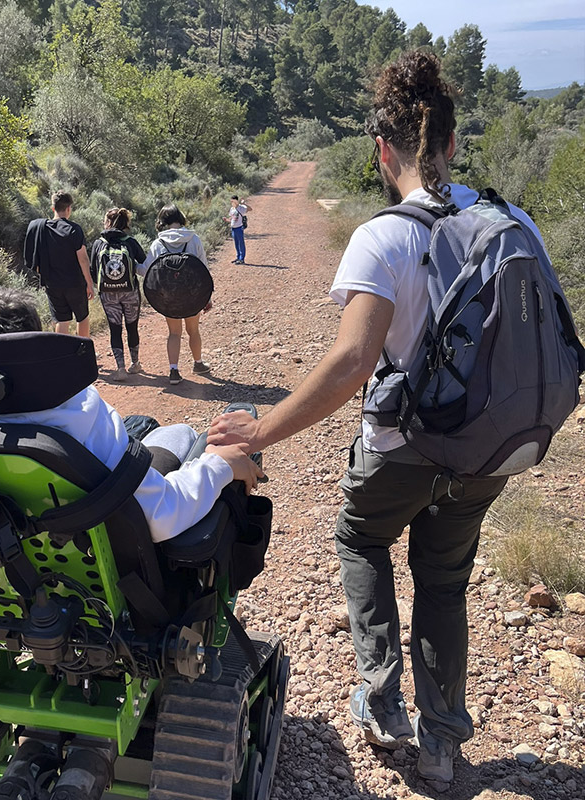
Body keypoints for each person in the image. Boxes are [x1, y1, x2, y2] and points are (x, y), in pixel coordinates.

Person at [207, 50, 549, 784]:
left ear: (382, 150)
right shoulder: (513, 219)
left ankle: (382, 697)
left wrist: (261, 430)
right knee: (445, 580)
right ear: (453, 145)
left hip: (399, 447)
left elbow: (353, 362)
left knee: (361, 538)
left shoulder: (385, 235)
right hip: (489, 450)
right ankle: (443, 741)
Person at [0, 287, 263, 546]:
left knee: (141, 428)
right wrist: (220, 467)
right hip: (96, 587)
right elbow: (161, 517)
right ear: (32, 345)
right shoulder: (80, 411)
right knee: (177, 434)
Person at [139, 204, 212, 385]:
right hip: (193, 295)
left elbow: (146, 270)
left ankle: (174, 371)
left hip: (168, 298)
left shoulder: (158, 244)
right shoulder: (193, 240)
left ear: (162, 221)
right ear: (180, 219)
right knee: (193, 330)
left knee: (174, 333)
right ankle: (198, 363)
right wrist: (207, 297)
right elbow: (204, 269)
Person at [23, 191, 94, 338]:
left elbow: (34, 259)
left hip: (53, 284)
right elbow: (83, 259)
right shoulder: (74, 229)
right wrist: (89, 283)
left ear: (53, 208)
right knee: (82, 317)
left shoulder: (42, 229)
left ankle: (63, 356)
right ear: (68, 209)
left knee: (62, 321)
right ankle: (83, 353)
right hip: (75, 283)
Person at [89, 207, 147, 382]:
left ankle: (120, 368)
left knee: (115, 329)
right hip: (130, 292)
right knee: (132, 327)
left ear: (107, 222)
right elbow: (145, 263)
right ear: (125, 223)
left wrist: (102, 285)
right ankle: (135, 363)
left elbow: (93, 270)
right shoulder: (130, 242)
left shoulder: (99, 243)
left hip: (108, 294)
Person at [223, 195, 250, 264]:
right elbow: (232, 219)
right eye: (231, 201)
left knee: (241, 243)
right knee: (236, 244)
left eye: (233, 201)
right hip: (233, 228)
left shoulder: (241, 208)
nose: (231, 202)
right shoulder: (232, 209)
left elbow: (250, 209)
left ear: (236, 201)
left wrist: (244, 204)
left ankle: (242, 259)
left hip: (239, 228)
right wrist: (227, 220)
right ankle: (238, 257)